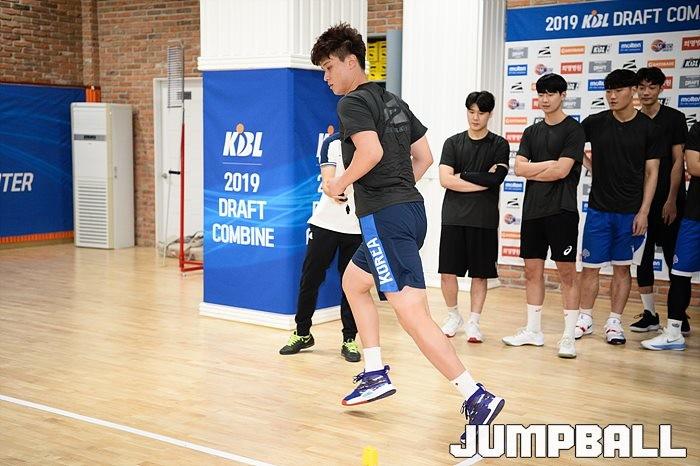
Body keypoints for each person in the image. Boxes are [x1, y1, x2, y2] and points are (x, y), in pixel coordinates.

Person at [310, 23, 504, 439]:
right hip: (409, 213)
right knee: (353, 283)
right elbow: (425, 156)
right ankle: (374, 371)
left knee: (413, 314)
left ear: (350, 61)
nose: (326, 77)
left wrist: (338, 184)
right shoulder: (392, 100)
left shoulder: (352, 103)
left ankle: (475, 396)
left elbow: (370, 152)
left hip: (385, 219)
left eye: (328, 67)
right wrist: (395, 192)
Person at [501, 73, 585, 358]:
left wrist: (538, 168)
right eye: (541, 94)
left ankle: (568, 336)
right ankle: (533, 331)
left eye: (551, 94)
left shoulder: (574, 130)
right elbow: (519, 169)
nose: (545, 99)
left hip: (562, 211)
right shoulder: (531, 132)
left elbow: (562, 171)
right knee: (532, 272)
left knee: (567, 274)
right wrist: (547, 164)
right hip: (533, 212)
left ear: (563, 95)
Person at [577, 69, 661, 345]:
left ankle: (614, 322)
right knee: (590, 268)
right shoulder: (595, 122)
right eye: (608, 91)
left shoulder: (649, 128)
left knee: (623, 269)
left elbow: (652, 172)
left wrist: (644, 211)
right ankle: (585, 318)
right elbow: (571, 144)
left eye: (618, 91)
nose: (612, 96)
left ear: (633, 91)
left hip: (631, 213)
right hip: (598, 210)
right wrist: (591, 166)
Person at [278, 133, 363, 362]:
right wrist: (332, 189)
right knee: (310, 278)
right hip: (325, 224)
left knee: (352, 286)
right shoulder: (332, 142)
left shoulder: (372, 144)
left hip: (357, 227)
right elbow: (328, 181)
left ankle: (349, 339)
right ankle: (302, 333)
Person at [438, 91, 509, 343]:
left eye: (481, 113)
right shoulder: (452, 143)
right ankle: (453, 316)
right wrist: (482, 179)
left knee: (480, 274)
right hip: (453, 217)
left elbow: (496, 179)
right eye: (471, 112)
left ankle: (474, 322)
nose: (475, 117)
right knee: (448, 272)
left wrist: (464, 175)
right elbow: (445, 180)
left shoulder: (499, 144)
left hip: (483, 219)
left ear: (490, 114)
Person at [631, 67, 690, 335]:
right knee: (642, 261)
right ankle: (650, 314)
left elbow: (679, 161)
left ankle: (679, 316)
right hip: (640, 203)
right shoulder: (632, 120)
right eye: (641, 87)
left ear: (660, 89)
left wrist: (672, 199)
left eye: (651, 87)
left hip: (670, 201)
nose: (646, 92)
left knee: (675, 261)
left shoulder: (675, 118)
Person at [642, 122, 700, 350]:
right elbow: (693, 166)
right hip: (695, 216)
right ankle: (674, 333)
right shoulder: (698, 129)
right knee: (680, 274)